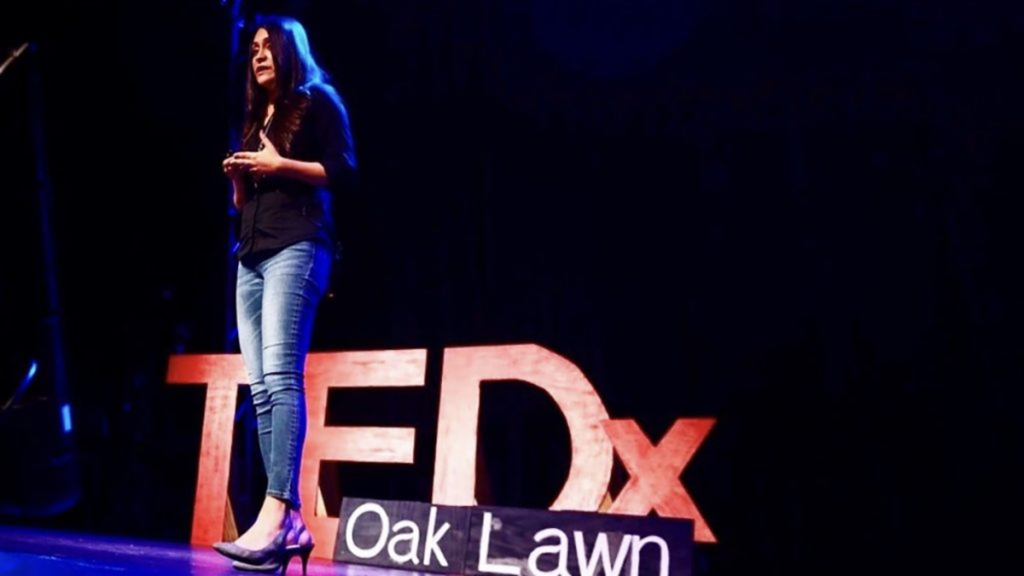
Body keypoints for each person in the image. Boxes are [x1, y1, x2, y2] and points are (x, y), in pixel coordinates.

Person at [212, 14, 356, 575]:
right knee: (264, 388)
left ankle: (279, 510)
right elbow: (244, 207)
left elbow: (344, 172)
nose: (259, 54)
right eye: (253, 48)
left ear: (291, 48)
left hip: (297, 247)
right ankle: (283, 520)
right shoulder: (256, 118)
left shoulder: (318, 100)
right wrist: (241, 180)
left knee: (282, 376)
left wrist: (279, 164)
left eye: (269, 45)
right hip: (250, 254)